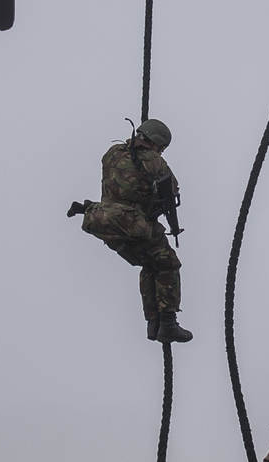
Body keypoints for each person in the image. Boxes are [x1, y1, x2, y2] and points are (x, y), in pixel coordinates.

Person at [65, 118, 192, 343]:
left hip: (103, 222)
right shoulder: (153, 160)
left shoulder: (112, 153)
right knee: (168, 264)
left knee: (149, 264)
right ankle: (167, 323)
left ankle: (153, 323)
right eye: (161, 148)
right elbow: (171, 189)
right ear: (156, 142)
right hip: (132, 225)